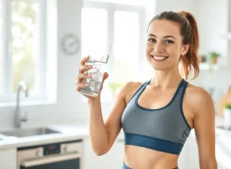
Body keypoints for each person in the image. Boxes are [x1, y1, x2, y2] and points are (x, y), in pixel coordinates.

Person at [76, 10, 217, 169]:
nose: (158, 48)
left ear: (184, 48)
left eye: (168, 41)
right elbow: (100, 147)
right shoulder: (129, 90)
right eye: (152, 39)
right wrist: (93, 100)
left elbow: (208, 163)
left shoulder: (197, 98)